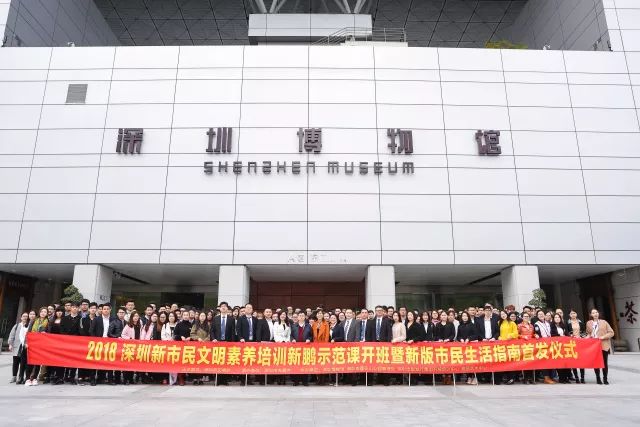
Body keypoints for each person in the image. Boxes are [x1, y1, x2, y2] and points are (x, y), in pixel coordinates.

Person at [585, 308, 614, 385]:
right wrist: (585, 339)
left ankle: (605, 378)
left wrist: (603, 337)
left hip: (603, 345)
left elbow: (611, 332)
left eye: (596, 312)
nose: (595, 314)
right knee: (596, 363)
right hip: (594, 346)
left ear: (598, 313)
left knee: (604, 362)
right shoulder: (588, 323)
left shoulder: (604, 322)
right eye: (593, 313)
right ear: (591, 314)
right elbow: (588, 333)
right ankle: (598, 378)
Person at [24, 307, 49, 386]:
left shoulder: (48, 322)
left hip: (41, 344)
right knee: (30, 361)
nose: (43, 313)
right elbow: (28, 332)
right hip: (32, 343)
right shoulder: (34, 320)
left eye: (45, 312)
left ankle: (35, 378)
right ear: (39, 312)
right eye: (42, 311)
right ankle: (28, 379)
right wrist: (26, 342)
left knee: (38, 362)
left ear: (47, 313)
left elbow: (49, 333)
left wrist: (46, 333)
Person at [533, 309, 556, 384]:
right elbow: (537, 334)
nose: (541, 315)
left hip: (550, 344)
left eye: (542, 314)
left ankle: (550, 377)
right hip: (542, 345)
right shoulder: (537, 324)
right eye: (539, 314)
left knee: (550, 361)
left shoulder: (548, 323)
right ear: (537, 316)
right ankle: (546, 377)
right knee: (544, 361)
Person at [121, 311, 143, 385]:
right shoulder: (128, 325)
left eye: (137, 316)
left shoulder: (140, 325)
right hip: (129, 346)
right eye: (134, 316)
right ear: (132, 317)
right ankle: (125, 379)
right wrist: (130, 338)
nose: (136, 317)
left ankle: (131, 379)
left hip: (137, 346)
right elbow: (123, 335)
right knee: (127, 363)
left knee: (133, 364)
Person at [290, 311, 312, 386]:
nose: (301, 317)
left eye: (303, 315)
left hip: (305, 348)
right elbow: (291, 335)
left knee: (305, 364)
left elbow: (311, 335)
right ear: (298, 317)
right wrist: (292, 339)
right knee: (296, 364)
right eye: (300, 315)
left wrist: (309, 339)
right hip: (296, 348)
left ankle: (305, 381)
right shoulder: (294, 326)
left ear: (305, 317)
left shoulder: (308, 326)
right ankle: (296, 381)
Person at [8, 312, 29, 384]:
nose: (25, 317)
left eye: (26, 316)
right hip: (17, 346)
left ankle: (22, 377)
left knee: (23, 363)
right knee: (15, 362)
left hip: (25, 347)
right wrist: (10, 344)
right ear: (21, 317)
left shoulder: (29, 325)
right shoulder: (17, 325)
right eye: (24, 316)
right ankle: (14, 376)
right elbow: (12, 335)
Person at [190, 312, 211, 385]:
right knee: (196, 362)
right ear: (199, 317)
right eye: (201, 315)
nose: (202, 317)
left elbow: (210, 334)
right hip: (197, 345)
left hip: (205, 346)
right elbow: (192, 334)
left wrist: (206, 340)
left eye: (204, 316)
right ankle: (195, 378)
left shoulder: (208, 325)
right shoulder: (195, 325)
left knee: (203, 362)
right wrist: (197, 338)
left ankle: (201, 378)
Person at [566, 309, 586, 383]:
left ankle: (582, 378)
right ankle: (576, 378)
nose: (573, 314)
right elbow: (566, 332)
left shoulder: (580, 322)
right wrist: (570, 335)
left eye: (574, 313)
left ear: (576, 314)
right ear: (569, 315)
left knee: (581, 361)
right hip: (572, 343)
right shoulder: (567, 323)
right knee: (573, 361)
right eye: (571, 313)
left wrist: (582, 337)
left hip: (580, 342)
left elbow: (584, 332)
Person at [174, 311, 193, 386]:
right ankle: (180, 379)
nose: (185, 316)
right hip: (180, 347)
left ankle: (186, 377)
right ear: (182, 316)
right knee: (180, 362)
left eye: (187, 315)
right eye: (184, 315)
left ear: (189, 316)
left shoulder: (191, 325)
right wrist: (180, 337)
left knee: (187, 362)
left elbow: (194, 335)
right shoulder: (179, 324)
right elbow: (175, 335)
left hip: (189, 347)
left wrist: (190, 338)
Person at [550, 313, 570, 383]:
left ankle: (566, 377)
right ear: (553, 319)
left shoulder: (563, 325)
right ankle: (561, 378)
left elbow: (567, 334)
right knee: (559, 363)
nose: (557, 318)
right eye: (555, 317)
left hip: (564, 346)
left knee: (565, 362)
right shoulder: (551, 326)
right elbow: (552, 335)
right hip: (556, 346)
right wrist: (560, 336)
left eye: (558, 317)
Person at [517, 311, 535, 384]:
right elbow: (517, 334)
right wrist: (523, 336)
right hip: (523, 345)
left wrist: (535, 335)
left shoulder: (531, 326)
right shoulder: (519, 325)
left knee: (531, 362)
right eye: (525, 316)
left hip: (531, 345)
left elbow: (532, 334)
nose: (526, 318)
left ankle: (531, 378)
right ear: (522, 317)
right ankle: (525, 378)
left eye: (527, 316)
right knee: (525, 362)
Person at [161, 311, 178, 385]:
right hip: (167, 346)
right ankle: (166, 378)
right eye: (170, 316)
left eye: (173, 316)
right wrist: (168, 341)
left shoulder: (178, 324)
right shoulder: (165, 325)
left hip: (176, 347)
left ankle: (175, 380)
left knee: (175, 363)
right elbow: (162, 336)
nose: (171, 317)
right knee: (167, 363)